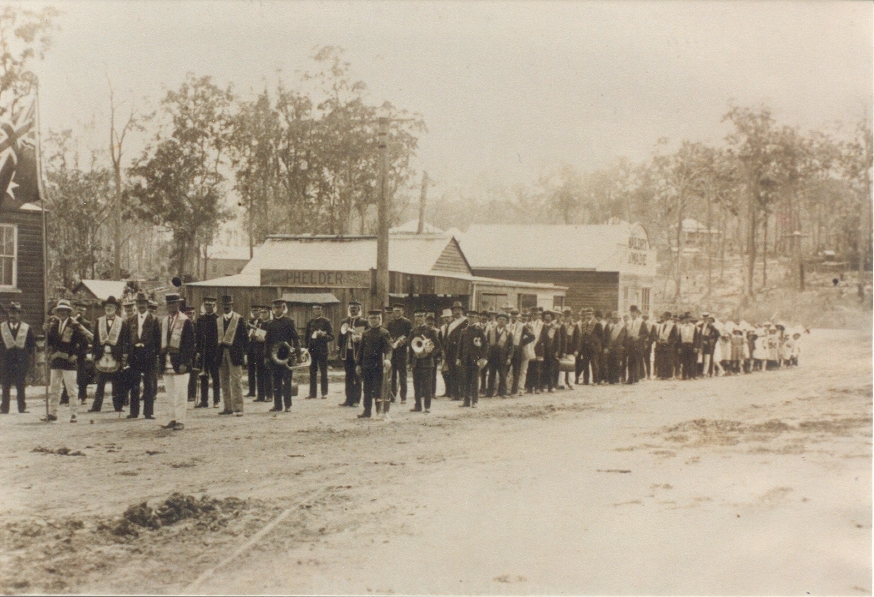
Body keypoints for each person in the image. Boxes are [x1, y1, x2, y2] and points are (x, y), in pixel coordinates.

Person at [43, 299, 90, 422]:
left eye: (65, 310)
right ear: (57, 312)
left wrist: (76, 354)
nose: (62, 312)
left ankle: (74, 413)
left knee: (71, 388)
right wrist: (46, 331)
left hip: (69, 361)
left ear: (69, 312)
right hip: (56, 360)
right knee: (54, 388)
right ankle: (53, 413)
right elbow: (51, 342)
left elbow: (85, 342)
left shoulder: (74, 325)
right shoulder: (54, 325)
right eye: (60, 310)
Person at [158, 293, 195, 430]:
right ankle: (172, 418)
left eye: (173, 303)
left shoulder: (185, 321)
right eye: (168, 304)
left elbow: (190, 345)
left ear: (178, 304)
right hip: (167, 361)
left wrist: (185, 362)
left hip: (180, 362)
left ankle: (180, 420)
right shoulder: (165, 321)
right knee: (170, 392)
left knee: (180, 392)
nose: (170, 306)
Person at [90, 296, 129, 413]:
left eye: (111, 306)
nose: (108, 308)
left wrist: (123, 355)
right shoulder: (99, 321)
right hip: (102, 356)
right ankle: (96, 407)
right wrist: (94, 353)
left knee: (116, 384)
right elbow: (95, 339)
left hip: (115, 356)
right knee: (100, 384)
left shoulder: (121, 322)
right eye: (107, 306)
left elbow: (124, 340)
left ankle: (118, 406)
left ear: (116, 308)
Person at [126, 293, 160, 419]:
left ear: (147, 304)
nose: (141, 306)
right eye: (139, 303)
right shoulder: (131, 320)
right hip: (134, 354)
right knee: (134, 384)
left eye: (143, 303)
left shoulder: (154, 319)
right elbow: (127, 338)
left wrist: (155, 354)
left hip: (148, 354)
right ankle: (134, 412)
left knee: (148, 384)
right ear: (136, 305)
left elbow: (158, 338)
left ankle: (148, 412)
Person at [355, 309, 392, 419]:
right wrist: (358, 364)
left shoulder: (384, 333)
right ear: (368, 319)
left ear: (380, 319)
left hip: (378, 366)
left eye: (375, 318)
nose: (373, 320)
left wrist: (388, 359)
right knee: (366, 390)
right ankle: (367, 411)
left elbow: (389, 349)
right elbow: (360, 350)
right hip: (366, 366)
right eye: (371, 318)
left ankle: (379, 411)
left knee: (378, 389)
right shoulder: (365, 333)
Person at [265, 298, 300, 412]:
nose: (277, 309)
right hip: (274, 357)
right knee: (276, 381)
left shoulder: (289, 321)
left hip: (286, 356)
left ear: (284, 308)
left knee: (287, 381)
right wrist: (266, 356)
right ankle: (277, 405)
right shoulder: (271, 324)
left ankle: (288, 405)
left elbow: (295, 338)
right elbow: (267, 341)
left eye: (279, 307)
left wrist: (297, 354)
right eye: (275, 307)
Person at [0, 302, 36, 414]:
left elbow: (31, 345)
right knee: (5, 385)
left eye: (15, 313)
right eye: (11, 312)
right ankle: (4, 408)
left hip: (21, 361)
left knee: (21, 385)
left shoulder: (27, 328)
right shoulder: (2, 327)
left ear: (20, 314)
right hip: (6, 361)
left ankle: (22, 407)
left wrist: (26, 358)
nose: (12, 315)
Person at [216, 295, 249, 416]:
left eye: (228, 305)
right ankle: (227, 407)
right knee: (223, 381)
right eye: (224, 305)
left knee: (236, 381)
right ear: (221, 306)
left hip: (235, 354)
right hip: (221, 354)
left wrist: (243, 354)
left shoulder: (239, 319)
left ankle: (238, 407)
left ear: (232, 305)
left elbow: (245, 339)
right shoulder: (218, 320)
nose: (226, 307)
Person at [409, 310, 442, 412]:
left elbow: (438, 347)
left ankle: (427, 406)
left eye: (421, 316)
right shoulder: (413, 331)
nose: (418, 318)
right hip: (416, 361)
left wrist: (429, 353)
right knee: (416, 385)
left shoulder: (430, 330)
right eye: (416, 316)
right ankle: (418, 405)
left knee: (427, 385)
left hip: (427, 362)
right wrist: (410, 362)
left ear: (424, 318)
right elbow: (410, 347)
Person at [337, 300, 369, 407]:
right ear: (349, 309)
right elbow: (340, 337)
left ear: (359, 309)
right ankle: (348, 399)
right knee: (348, 377)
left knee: (357, 376)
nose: (353, 310)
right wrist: (339, 349)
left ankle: (356, 400)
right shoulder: (344, 321)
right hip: (347, 353)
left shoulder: (364, 322)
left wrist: (359, 337)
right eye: (351, 308)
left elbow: (366, 336)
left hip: (358, 353)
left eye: (355, 308)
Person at [194, 297, 221, 408]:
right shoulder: (201, 319)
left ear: (214, 306)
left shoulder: (218, 319)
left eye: (210, 305)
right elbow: (198, 337)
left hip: (214, 352)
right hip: (203, 352)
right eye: (206, 305)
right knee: (203, 377)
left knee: (215, 377)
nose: (208, 307)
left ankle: (216, 400)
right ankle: (204, 401)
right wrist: (198, 352)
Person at [457, 308, 487, 407]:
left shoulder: (479, 330)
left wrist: (483, 358)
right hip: (466, 359)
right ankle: (466, 401)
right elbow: (460, 346)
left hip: (476, 359)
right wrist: (458, 358)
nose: (470, 319)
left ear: (476, 318)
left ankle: (474, 401)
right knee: (466, 380)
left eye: (473, 317)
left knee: (474, 381)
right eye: (469, 317)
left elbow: (485, 345)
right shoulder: (464, 330)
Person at [304, 304, 334, 399]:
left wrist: (323, 335)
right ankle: (312, 394)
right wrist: (306, 349)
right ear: (313, 310)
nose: (317, 310)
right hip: (312, 350)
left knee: (323, 371)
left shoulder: (326, 321)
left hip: (322, 350)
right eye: (315, 309)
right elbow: (306, 337)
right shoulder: (310, 322)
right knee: (312, 371)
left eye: (319, 309)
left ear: (321, 310)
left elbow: (331, 337)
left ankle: (324, 393)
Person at [387, 304, 412, 404]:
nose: (397, 312)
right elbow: (388, 335)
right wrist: (391, 340)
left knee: (402, 375)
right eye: (395, 311)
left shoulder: (407, 322)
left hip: (402, 352)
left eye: (399, 310)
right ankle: (392, 396)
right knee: (392, 375)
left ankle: (403, 397)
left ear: (403, 311)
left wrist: (404, 342)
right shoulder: (390, 323)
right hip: (393, 352)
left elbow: (410, 336)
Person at [485, 312, 513, 397]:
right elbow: (487, 344)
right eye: (500, 319)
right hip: (492, 356)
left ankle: (502, 392)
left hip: (503, 357)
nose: (501, 321)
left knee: (503, 375)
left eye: (504, 320)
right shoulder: (491, 331)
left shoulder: (509, 333)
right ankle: (489, 392)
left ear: (506, 322)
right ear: (496, 320)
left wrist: (509, 357)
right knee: (491, 375)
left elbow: (511, 347)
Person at [444, 301, 468, 401]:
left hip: (460, 350)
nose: (457, 311)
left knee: (461, 372)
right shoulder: (450, 323)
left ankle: (463, 393)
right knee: (452, 372)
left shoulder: (465, 321)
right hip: (450, 350)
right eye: (455, 310)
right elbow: (446, 337)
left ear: (462, 311)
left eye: (459, 310)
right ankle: (455, 394)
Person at [248, 306, 273, 402]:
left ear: (269, 313)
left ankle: (269, 395)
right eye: (261, 312)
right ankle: (260, 395)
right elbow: (256, 336)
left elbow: (265, 338)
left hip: (266, 351)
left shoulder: (271, 324)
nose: (262, 314)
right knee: (259, 373)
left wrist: (257, 335)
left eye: (265, 312)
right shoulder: (260, 323)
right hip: (258, 351)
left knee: (268, 374)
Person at [509, 310, 534, 395]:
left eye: (516, 317)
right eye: (512, 316)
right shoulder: (507, 325)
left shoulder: (522, 326)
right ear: (510, 317)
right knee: (507, 370)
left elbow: (532, 336)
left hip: (517, 350)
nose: (514, 318)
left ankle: (514, 390)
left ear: (518, 317)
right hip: (507, 350)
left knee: (516, 371)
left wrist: (521, 342)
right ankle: (506, 388)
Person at [577, 308, 603, 385]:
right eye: (587, 314)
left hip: (593, 347)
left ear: (593, 315)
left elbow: (601, 336)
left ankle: (595, 380)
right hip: (585, 347)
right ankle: (586, 380)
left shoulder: (597, 324)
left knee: (594, 364)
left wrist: (596, 344)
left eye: (590, 314)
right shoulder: (583, 324)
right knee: (585, 364)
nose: (588, 316)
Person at [624, 305, 646, 385]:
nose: (632, 314)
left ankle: (636, 378)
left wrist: (639, 337)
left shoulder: (641, 322)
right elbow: (625, 333)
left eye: (634, 312)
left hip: (637, 343)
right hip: (630, 343)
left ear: (637, 313)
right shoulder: (628, 322)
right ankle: (630, 378)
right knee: (630, 361)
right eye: (631, 312)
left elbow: (646, 333)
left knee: (636, 361)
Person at [525, 307, 544, 394]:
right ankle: (529, 387)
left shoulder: (542, 324)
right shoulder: (527, 324)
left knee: (537, 368)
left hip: (538, 347)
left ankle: (537, 387)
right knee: (529, 367)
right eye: (532, 314)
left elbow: (544, 337)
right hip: (529, 347)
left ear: (538, 315)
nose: (534, 316)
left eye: (536, 314)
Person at [654, 312, 679, 379]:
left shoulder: (673, 325)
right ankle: (661, 374)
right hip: (661, 345)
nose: (664, 318)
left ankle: (669, 375)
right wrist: (657, 340)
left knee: (668, 360)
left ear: (669, 317)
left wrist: (668, 341)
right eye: (664, 316)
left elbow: (675, 337)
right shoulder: (660, 325)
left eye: (666, 316)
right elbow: (656, 335)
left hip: (668, 345)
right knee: (661, 360)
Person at [604, 312, 627, 385]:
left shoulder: (622, 327)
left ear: (619, 319)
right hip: (611, 347)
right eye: (613, 319)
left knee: (617, 364)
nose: (614, 320)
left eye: (616, 319)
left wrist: (613, 345)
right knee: (610, 363)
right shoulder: (610, 326)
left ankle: (616, 379)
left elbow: (621, 338)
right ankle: (611, 379)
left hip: (617, 347)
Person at [677, 314, 699, 380]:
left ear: (690, 319)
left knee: (691, 361)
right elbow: (679, 338)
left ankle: (691, 375)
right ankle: (684, 375)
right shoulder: (682, 327)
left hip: (691, 345)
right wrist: (679, 347)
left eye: (688, 318)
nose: (687, 320)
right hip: (684, 345)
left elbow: (696, 337)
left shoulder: (694, 327)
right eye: (685, 319)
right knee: (684, 361)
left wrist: (695, 347)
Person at [437, 309, 453, 397]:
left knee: (453, 372)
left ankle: (453, 391)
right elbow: (440, 340)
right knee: (444, 372)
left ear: (451, 317)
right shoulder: (442, 328)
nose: (446, 319)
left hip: (452, 352)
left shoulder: (454, 326)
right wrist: (441, 351)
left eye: (448, 317)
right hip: (445, 352)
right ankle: (447, 391)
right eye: (444, 318)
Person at [245, 305, 260, 397]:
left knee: (259, 371)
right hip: (250, 348)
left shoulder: (262, 322)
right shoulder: (249, 321)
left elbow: (262, 333)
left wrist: (253, 328)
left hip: (258, 348)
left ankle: (261, 392)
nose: (255, 312)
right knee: (250, 371)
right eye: (253, 311)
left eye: (257, 311)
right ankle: (251, 391)